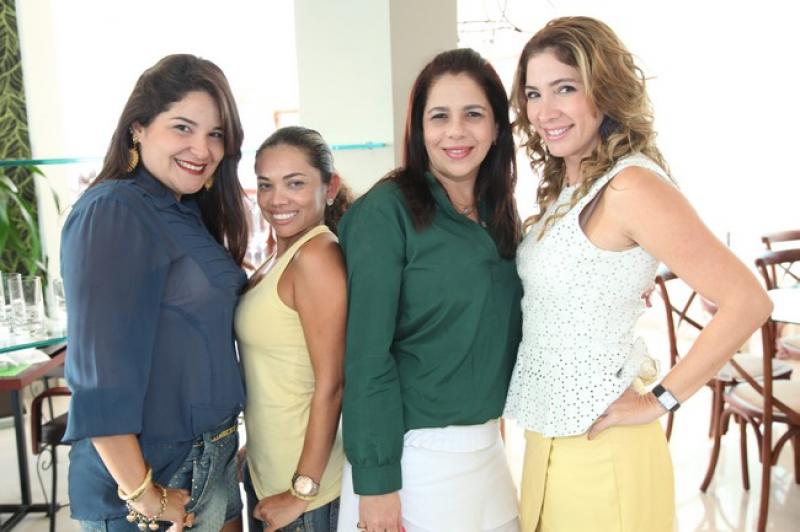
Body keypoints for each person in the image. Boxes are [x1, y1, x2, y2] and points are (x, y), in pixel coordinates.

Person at [503, 16, 773, 532]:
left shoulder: (630, 186)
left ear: (604, 91)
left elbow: (748, 302)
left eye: (565, 88)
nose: (545, 110)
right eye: (534, 94)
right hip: (548, 440)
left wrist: (659, 400)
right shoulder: (572, 184)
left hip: (604, 449)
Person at [336, 48, 523, 532]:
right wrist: (377, 483)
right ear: (419, 129)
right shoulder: (385, 214)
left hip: (490, 455)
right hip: (413, 462)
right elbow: (366, 356)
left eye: (473, 114)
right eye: (439, 116)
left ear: (497, 127)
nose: (455, 131)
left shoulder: (499, 213)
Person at [61, 54, 249, 532]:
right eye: (183, 127)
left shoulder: (186, 211)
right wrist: (143, 493)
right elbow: (97, 374)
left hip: (212, 456)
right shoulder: (115, 209)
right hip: (153, 475)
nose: (202, 149)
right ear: (138, 128)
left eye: (216, 134)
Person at [236, 126, 350, 532]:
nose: (276, 199)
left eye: (295, 183)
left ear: (329, 187)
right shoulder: (280, 256)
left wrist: (302, 490)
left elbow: (332, 384)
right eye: (266, 184)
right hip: (269, 471)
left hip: (305, 493)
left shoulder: (316, 256)